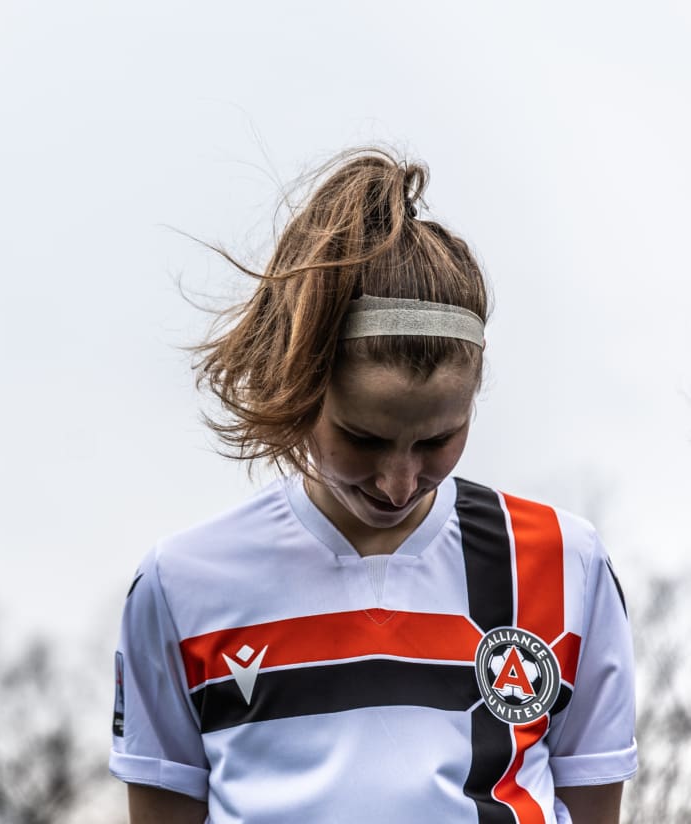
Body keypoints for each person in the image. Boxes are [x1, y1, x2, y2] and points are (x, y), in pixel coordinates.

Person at [109, 148, 636, 824]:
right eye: (364, 438)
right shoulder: (180, 582)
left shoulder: (565, 561)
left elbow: (593, 805)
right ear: (296, 388)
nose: (399, 481)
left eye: (437, 439)